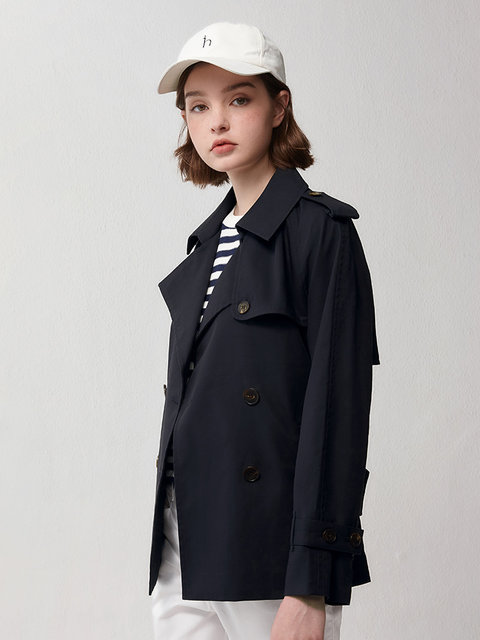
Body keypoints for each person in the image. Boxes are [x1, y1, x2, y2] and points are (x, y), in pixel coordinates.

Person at [149, 22, 380, 640]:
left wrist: (310, 583)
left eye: (239, 98)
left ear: (279, 108)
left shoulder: (321, 232)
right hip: (182, 541)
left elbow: (337, 414)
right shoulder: (205, 248)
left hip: (269, 550)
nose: (217, 122)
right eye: (199, 106)